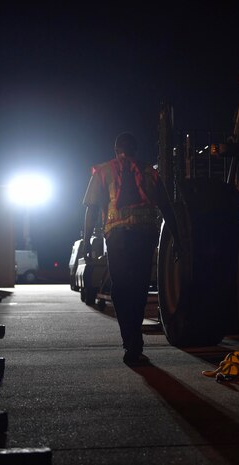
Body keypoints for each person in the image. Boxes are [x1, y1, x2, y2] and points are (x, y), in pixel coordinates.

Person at [82, 132, 181, 366]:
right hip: (144, 238)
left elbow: (91, 210)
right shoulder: (150, 172)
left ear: (116, 150)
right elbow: (167, 207)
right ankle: (135, 344)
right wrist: (177, 239)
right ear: (135, 149)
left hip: (117, 238)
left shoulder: (103, 171)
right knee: (138, 290)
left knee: (120, 289)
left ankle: (130, 342)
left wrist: (87, 241)